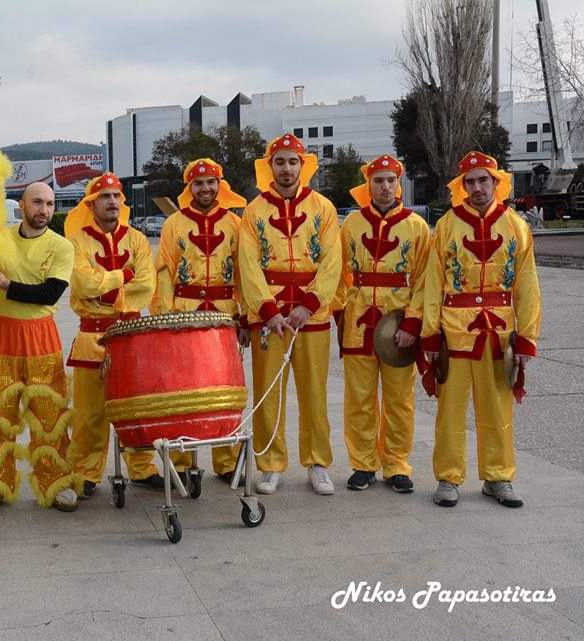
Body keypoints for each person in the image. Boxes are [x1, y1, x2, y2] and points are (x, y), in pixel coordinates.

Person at [421, 151, 541, 508]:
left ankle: (498, 476)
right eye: (469, 182)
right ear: (462, 187)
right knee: (450, 412)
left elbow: (527, 285)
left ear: (496, 183)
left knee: (498, 412)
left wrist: (527, 338)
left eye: (482, 180)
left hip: (499, 336)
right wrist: (430, 333)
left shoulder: (516, 226)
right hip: (455, 332)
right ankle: (448, 477)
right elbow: (432, 282)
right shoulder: (447, 226)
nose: (476, 188)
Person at [0, 181, 82, 514]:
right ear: (21, 204)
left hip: (41, 337)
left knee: (50, 414)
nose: (44, 210)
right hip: (0, 335)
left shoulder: (61, 247)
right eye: (37, 202)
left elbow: (49, 294)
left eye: (49, 203)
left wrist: (6, 285)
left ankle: (56, 481)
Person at [237, 133, 342, 495]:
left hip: (310, 316)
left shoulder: (324, 208)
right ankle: (270, 463)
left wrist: (310, 304)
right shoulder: (253, 211)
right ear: (270, 166)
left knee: (314, 393)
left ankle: (317, 463)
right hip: (269, 318)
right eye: (279, 162)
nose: (286, 168)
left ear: (303, 165)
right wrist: (268, 311)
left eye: (292, 161)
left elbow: (332, 261)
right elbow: (247, 265)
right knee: (268, 393)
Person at [334, 155, 431, 494]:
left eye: (391, 180)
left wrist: (414, 323)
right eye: (379, 181)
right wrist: (340, 312)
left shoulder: (416, 226)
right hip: (359, 325)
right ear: (368, 185)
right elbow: (339, 273)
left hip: (399, 328)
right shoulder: (351, 224)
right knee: (359, 399)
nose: (385, 187)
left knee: (399, 400)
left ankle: (396, 464)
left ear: (399, 183)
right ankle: (362, 464)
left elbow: (424, 280)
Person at [151, 158, 250, 483]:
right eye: (198, 183)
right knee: (182, 390)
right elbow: (164, 269)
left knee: (225, 387)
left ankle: (227, 458)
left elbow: (244, 273)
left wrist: (246, 316)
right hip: (184, 312)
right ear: (189, 187)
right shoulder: (174, 224)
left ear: (220, 186)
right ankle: (181, 461)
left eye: (211, 183)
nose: (205, 189)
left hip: (224, 314)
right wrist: (164, 316)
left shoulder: (235, 224)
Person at [65, 172, 162, 495]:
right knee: (90, 413)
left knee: (136, 408)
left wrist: (105, 288)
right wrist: (125, 275)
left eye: (116, 196)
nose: (112, 202)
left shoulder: (137, 239)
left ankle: (142, 468)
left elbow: (146, 285)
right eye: (104, 197)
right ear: (91, 205)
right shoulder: (77, 242)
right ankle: (86, 472)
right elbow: (82, 284)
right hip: (91, 338)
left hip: (131, 337)